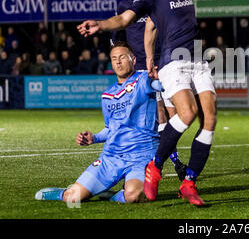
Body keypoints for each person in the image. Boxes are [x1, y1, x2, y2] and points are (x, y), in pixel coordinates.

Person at [77, 0, 217, 206]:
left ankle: (189, 183)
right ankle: (155, 166)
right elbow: (125, 18)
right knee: (188, 113)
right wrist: (101, 25)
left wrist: (149, 57)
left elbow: (152, 27)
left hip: (196, 59)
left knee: (209, 119)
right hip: (173, 61)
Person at [35, 42, 163, 204]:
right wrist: (94, 138)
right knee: (72, 197)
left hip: (141, 157)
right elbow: (111, 129)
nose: (118, 62)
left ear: (133, 60)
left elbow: (162, 85)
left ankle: (114, 195)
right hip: (111, 157)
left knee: (135, 196)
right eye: (114, 58)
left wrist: (162, 78)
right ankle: (62, 193)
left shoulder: (143, 80)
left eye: (122, 57)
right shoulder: (107, 95)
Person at [112, 0, 188, 180]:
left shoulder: (161, 7)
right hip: (140, 72)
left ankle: (160, 160)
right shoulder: (127, 7)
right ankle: (170, 163)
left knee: (179, 117)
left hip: (163, 68)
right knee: (156, 116)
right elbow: (117, 38)